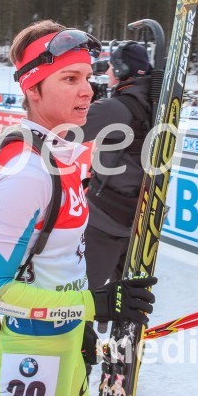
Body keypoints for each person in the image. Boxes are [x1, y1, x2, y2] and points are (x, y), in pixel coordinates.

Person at [0, 21, 156, 396]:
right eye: (70, 78)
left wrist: (82, 323)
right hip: (33, 356)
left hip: (68, 345)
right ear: (32, 88)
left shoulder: (63, 156)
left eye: (88, 77)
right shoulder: (27, 173)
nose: (88, 90)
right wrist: (91, 303)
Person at [77, 41, 154, 289]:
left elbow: (66, 130)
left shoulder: (116, 108)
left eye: (111, 67)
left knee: (80, 297)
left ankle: (81, 329)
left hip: (103, 219)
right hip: (137, 220)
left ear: (121, 70)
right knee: (123, 301)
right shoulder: (154, 103)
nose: (108, 72)